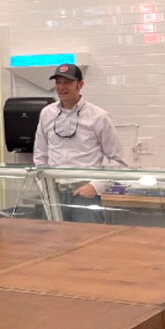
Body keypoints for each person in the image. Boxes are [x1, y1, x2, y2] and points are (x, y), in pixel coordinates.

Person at [33, 63, 126, 224]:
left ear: (80, 85)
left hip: (85, 194)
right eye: (58, 82)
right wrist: (45, 188)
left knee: (88, 245)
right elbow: (40, 155)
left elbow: (118, 160)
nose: (61, 87)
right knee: (52, 244)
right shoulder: (46, 113)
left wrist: (96, 186)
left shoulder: (99, 116)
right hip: (54, 192)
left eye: (67, 82)